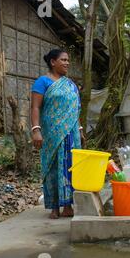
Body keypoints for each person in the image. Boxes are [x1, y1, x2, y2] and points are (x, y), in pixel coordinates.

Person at [30, 49, 85, 219]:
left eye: (68, 60)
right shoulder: (42, 82)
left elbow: (75, 110)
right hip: (51, 134)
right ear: (53, 62)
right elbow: (35, 107)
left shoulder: (71, 85)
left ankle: (68, 206)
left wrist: (81, 130)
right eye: (63, 60)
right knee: (53, 167)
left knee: (70, 168)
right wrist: (36, 130)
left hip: (71, 134)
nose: (67, 63)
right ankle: (54, 207)